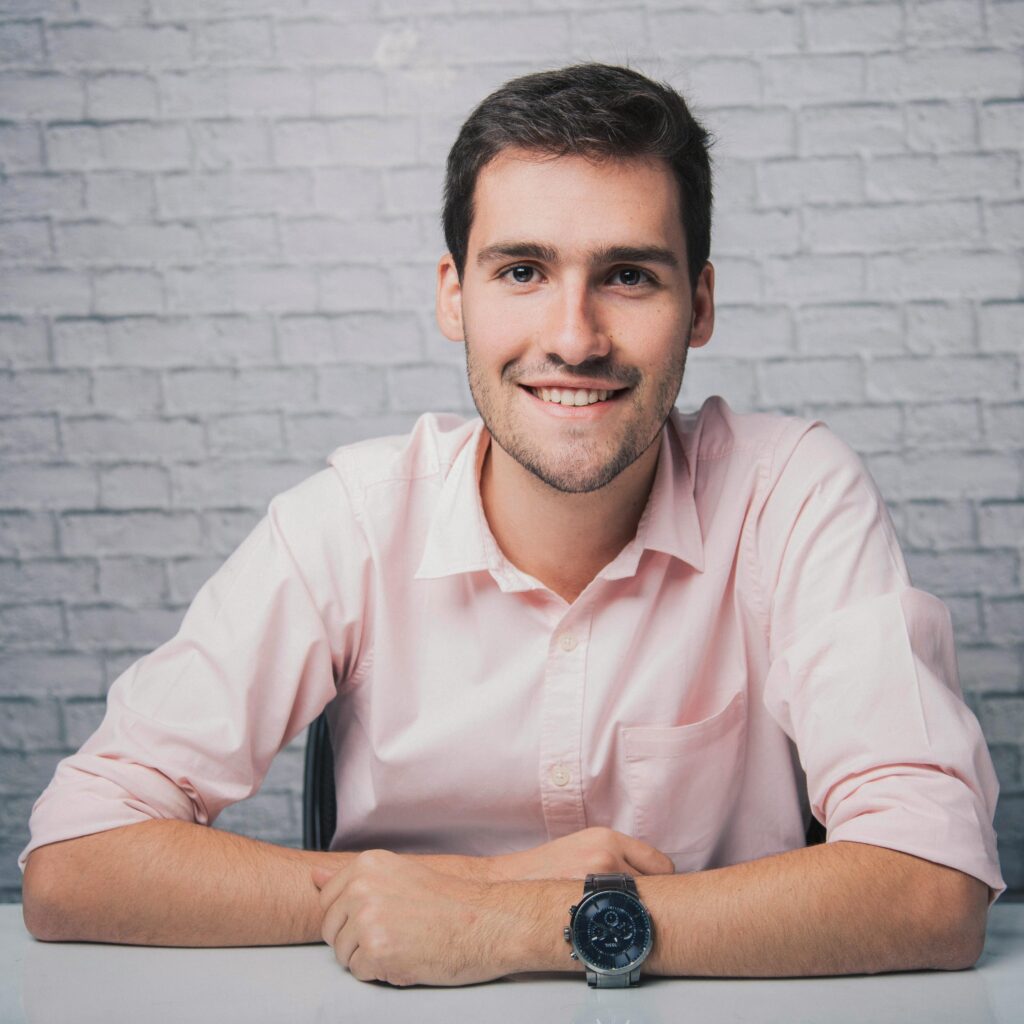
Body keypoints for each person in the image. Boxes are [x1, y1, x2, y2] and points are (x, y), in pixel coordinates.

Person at [21, 64, 1003, 988]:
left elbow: (930, 882)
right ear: (454, 295)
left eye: (627, 274)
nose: (573, 337)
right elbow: (73, 861)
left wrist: (524, 920)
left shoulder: (790, 496)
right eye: (522, 270)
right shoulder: (353, 523)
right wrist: (485, 881)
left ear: (698, 303)